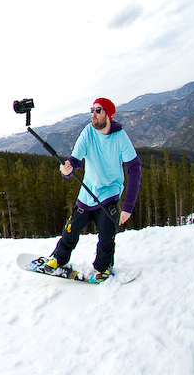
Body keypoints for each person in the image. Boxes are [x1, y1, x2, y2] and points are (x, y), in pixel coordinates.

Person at [40, 98, 142, 282]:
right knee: (71, 229)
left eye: (98, 110)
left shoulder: (120, 137)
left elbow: (134, 169)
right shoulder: (88, 132)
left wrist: (128, 206)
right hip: (87, 193)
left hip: (109, 192)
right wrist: (67, 169)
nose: (93, 114)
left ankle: (103, 267)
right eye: (92, 110)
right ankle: (58, 258)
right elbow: (75, 160)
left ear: (109, 115)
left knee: (106, 232)